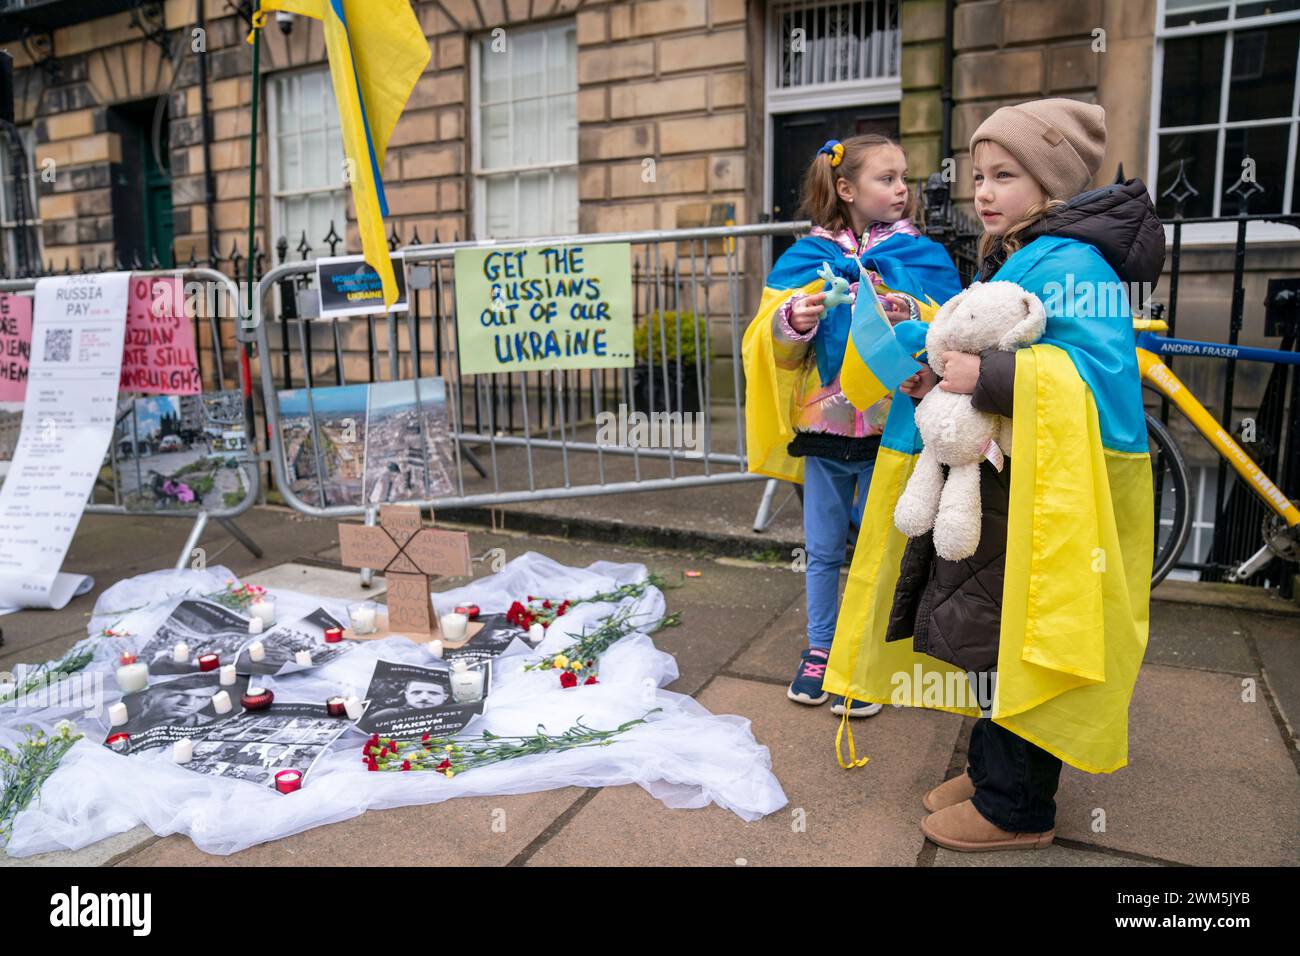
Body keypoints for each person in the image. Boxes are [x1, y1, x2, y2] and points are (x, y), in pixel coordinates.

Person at [823, 99, 1163, 851]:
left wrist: (989, 376)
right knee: (994, 640)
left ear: (1051, 181)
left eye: (1005, 174)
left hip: (1043, 500)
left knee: (1027, 643)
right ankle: (988, 771)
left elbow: (1098, 376)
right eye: (979, 174)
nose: (983, 190)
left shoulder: (1076, 262)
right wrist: (935, 367)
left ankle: (1018, 807)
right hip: (1011, 484)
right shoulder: (1024, 249)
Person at [742, 134, 961, 718]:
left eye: (903, 177)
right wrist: (794, 318)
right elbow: (775, 351)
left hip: (895, 428)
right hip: (826, 425)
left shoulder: (923, 256)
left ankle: (866, 657)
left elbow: (954, 331)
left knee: (881, 542)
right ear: (846, 189)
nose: (902, 189)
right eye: (886, 179)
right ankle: (819, 650)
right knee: (821, 548)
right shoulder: (803, 260)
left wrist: (913, 310)